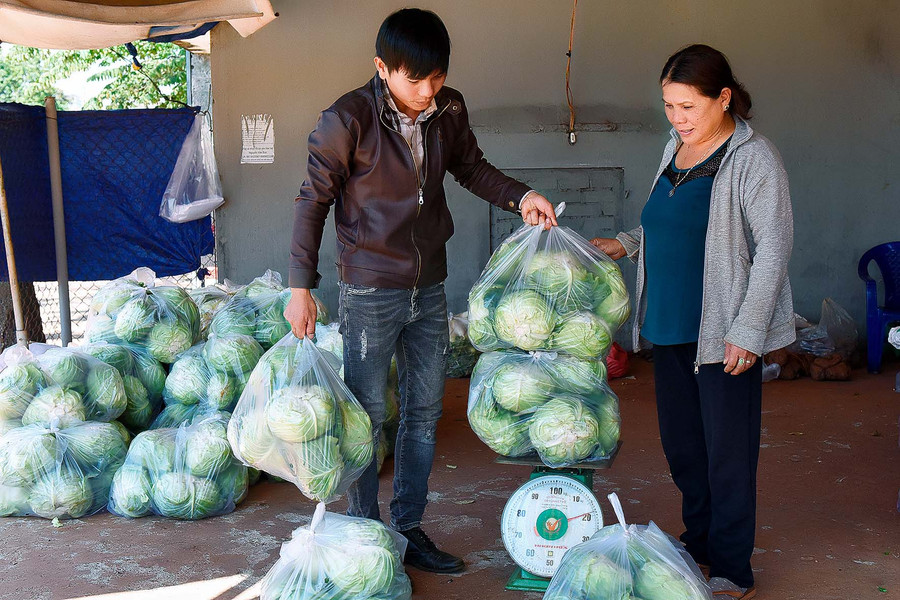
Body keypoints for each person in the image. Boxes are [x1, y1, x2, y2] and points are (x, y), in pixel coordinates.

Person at [284, 8, 557, 574]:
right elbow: (312, 201)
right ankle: (363, 532)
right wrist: (299, 286)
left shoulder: (448, 107)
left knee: (424, 410)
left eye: (437, 78)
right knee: (365, 414)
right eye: (416, 80)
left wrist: (519, 195)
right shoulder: (347, 119)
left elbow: (472, 167)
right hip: (368, 288)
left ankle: (408, 528)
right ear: (382, 68)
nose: (429, 91)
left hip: (428, 284)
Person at [591, 44, 793, 600]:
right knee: (684, 449)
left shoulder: (753, 159)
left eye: (687, 107)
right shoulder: (673, 149)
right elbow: (670, 224)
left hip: (724, 332)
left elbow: (772, 247)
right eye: (668, 106)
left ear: (723, 98)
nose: (677, 119)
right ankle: (697, 543)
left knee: (727, 452)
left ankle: (731, 565)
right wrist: (628, 244)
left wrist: (748, 331)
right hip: (669, 327)